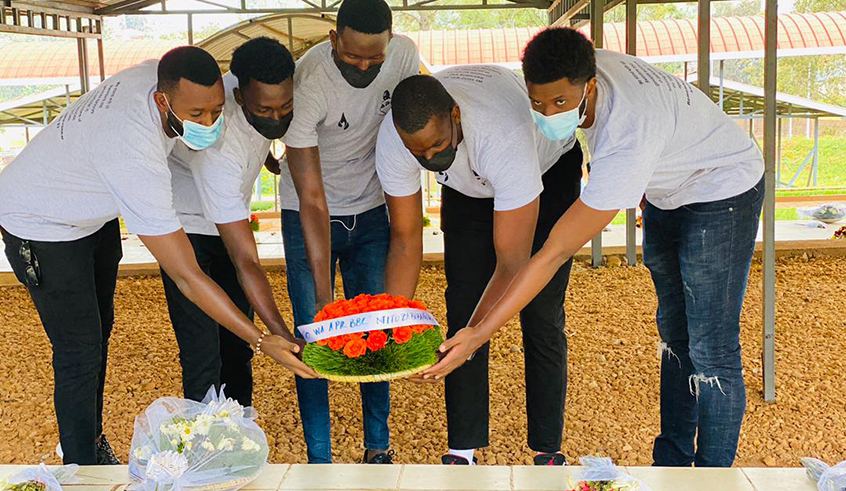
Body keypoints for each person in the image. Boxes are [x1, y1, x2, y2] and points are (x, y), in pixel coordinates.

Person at [423, 28, 765, 468]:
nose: (548, 113)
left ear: (590, 86)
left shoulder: (627, 136)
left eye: (560, 103)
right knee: (676, 337)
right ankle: (673, 468)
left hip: (724, 189)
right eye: (537, 102)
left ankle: (712, 479)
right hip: (666, 191)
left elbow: (552, 253)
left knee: (712, 349)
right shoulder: (576, 61)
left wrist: (480, 332)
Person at [0, 46, 309, 466]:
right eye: (197, 114)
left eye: (217, 109)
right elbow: (188, 276)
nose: (210, 123)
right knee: (79, 348)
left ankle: (89, 441)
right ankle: (83, 465)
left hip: (94, 211)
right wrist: (259, 338)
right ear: (163, 101)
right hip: (40, 222)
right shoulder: (133, 151)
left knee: (100, 331)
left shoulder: (158, 75)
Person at [377, 66, 583, 466]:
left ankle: (546, 447)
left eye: (437, 145)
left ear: (455, 115)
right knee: (462, 308)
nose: (431, 158)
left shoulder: (501, 136)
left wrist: (479, 334)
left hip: (545, 174)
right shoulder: (395, 139)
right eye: (419, 153)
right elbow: (405, 239)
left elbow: (512, 264)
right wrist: (389, 325)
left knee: (540, 313)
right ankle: (462, 448)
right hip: (466, 189)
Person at [266, 0, 419, 464]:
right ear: (333, 40)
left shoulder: (405, 57)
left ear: (390, 40)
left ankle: (378, 448)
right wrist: (320, 298)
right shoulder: (308, 81)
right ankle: (320, 459)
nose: (366, 67)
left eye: (375, 58)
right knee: (311, 338)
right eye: (353, 57)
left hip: (371, 209)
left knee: (376, 329)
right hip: (308, 213)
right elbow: (312, 198)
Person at [165, 37, 318, 408]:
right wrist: (280, 334)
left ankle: (240, 424)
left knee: (237, 345)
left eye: (286, 106)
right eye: (265, 110)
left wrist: (264, 155)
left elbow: (265, 125)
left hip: (225, 216)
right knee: (203, 346)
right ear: (239, 99)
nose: (277, 117)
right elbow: (246, 261)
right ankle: (205, 442)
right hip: (188, 228)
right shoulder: (218, 148)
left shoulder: (255, 91)